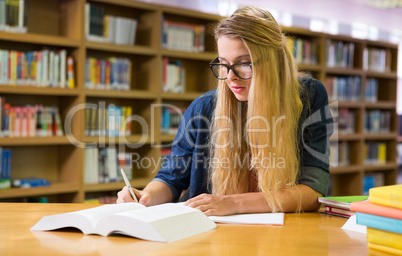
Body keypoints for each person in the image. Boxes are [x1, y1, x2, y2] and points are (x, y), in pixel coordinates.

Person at [117, 6, 333, 216]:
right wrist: (146, 197)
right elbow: (171, 178)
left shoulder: (309, 97)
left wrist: (233, 203)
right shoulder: (203, 108)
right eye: (223, 64)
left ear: (274, 63)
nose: (230, 77)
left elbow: (312, 192)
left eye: (244, 64)